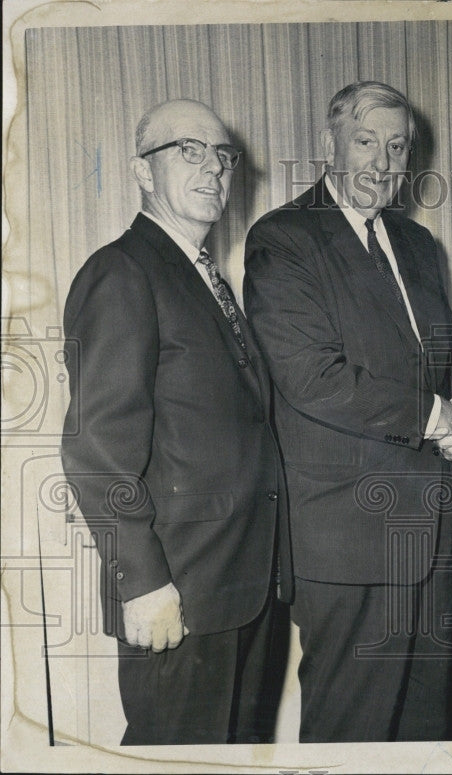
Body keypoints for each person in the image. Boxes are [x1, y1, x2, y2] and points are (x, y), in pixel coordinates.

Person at [243, 81, 452, 743]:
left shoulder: (419, 244)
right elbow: (312, 377)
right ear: (328, 145)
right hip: (349, 540)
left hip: (434, 536)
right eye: (366, 141)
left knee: (429, 738)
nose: (382, 160)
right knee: (352, 737)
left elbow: (438, 368)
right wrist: (435, 417)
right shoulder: (284, 238)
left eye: (397, 146)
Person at [60, 99, 289, 745]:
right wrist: (145, 582)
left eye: (223, 154)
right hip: (179, 592)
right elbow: (95, 449)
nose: (213, 167)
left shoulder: (206, 277)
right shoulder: (122, 271)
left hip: (240, 587)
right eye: (188, 150)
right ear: (141, 169)